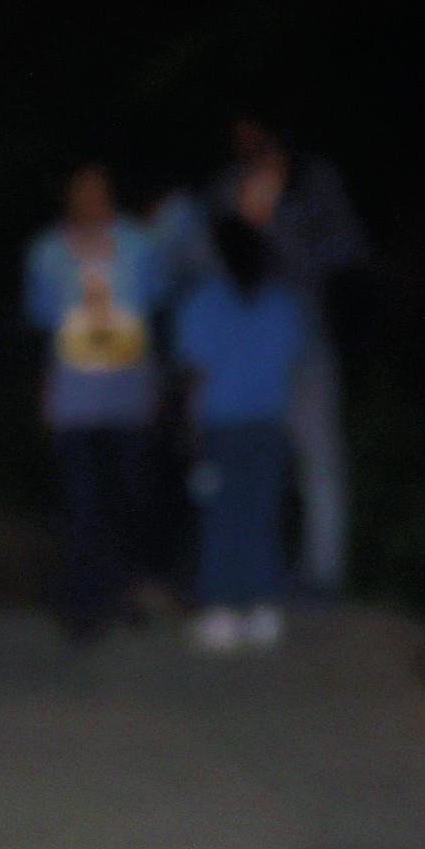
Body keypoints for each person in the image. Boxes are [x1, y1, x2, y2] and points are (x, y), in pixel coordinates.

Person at [208, 115, 368, 598]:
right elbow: (213, 261)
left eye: (255, 132)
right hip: (244, 354)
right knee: (251, 463)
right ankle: (253, 571)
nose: (247, 141)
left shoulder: (314, 185)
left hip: (306, 345)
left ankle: (323, 575)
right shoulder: (227, 188)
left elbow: (346, 255)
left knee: (319, 462)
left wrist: (278, 226)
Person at [23, 162, 170, 641]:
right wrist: (44, 390)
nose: (90, 201)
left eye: (98, 192)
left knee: (128, 496)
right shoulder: (47, 252)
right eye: (80, 192)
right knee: (80, 500)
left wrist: (156, 387)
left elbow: (155, 315)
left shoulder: (138, 246)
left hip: (128, 396)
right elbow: (42, 328)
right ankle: (84, 601)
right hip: (74, 399)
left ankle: (124, 590)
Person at [173, 212, 309, 653]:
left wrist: (189, 434)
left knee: (222, 516)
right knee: (262, 512)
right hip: (268, 422)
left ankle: (223, 609)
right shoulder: (282, 304)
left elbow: (195, 376)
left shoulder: (205, 303)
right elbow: (291, 366)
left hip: (221, 425)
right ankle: (263, 608)